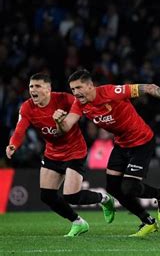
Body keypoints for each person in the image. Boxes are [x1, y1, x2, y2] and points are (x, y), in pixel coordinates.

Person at [53, 70, 160, 236]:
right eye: (72, 89)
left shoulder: (111, 92)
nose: (76, 93)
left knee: (129, 187)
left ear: (90, 85)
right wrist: (59, 121)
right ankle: (147, 221)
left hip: (142, 142)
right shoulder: (79, 104)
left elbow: (150, 88)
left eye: (79, 87)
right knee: (113, 188)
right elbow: (66, 127)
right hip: (121, 144)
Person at [5, 73, 115, 237]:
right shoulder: (27, 107)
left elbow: (85, 108)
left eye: (37, 86)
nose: (33, 90)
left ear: (48, 89)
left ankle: (105, 199)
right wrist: (13, 144)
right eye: (31, 86)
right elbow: (20, 128)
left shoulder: (65, 99)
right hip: (53, 153)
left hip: (75, 151)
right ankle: (78, 222)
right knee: (47, 196)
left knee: (71, 196)